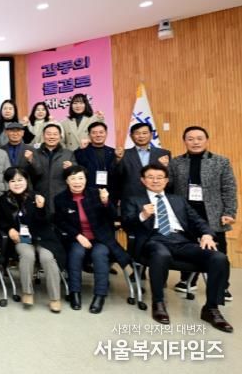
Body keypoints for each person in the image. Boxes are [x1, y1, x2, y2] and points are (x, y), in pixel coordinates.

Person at [122, 164, 233, 333]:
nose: (155, 180)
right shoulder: (134, 200)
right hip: (153, 240)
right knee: (161, 254)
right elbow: (126, 225)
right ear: (143, 181)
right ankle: (158, 303)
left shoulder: (178, 200)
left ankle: (211, 308)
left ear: (166, 180)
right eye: (150, 177)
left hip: (181, 241)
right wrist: (142, 215)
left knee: (219, 258)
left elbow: (198, 221)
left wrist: (207, 234)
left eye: (159, 177)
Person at [168, 126, 236, 300]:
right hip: (186, 214)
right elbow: (169, 187)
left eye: (199, 138)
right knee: (187, 247)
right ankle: (187, 280)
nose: (195, 142)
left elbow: (229, 189)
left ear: (206, 140)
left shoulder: (221, 161)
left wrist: (229, 212)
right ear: (184, 141)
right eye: (190, 139)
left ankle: (222, 286)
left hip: (213, 213)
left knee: (219, 251)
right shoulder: (175, 162)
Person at [53, 165, 130, 314]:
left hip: (100, 238)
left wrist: (106, 201)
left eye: (81, 178)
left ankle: (100, 296)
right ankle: (74, 292)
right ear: (67, 181)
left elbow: (113, 216)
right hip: (77, 238)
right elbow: (60, 222)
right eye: (73, 178)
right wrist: (78, 236)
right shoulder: (60, 199)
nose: (77, 182)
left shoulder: (96, 194)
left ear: (86, 180)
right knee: (76, 253)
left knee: (99, 254)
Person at [0, 167, 65, 313]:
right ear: (8, 183)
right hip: (21, 238)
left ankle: (55, 297)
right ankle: (27, 292)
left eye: (20, 180)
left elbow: (46, 221)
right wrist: (9, 229)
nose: (17, 184)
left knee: (47, 257)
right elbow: (0, 221)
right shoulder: (3, 200)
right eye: (12, 181)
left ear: (26, 181)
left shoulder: (37, 197)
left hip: (41, 236)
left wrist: (40, 208)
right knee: (27, 255)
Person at [113, 122, 171, 203]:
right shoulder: (123, 154)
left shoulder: (163, 153)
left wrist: (166, 166)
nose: (141, 136)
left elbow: (169, 177)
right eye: (137, 133)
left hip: (157, 198)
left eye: (144, 133)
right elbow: (116, 176)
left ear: (151, 135)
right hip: (130, 198)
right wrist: (118, 159)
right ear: (131, 136)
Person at [30, 123, 76, 215]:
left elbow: (76, 173)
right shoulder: (34, 153)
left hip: (62, 196)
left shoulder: (68, 154)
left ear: (60, 136)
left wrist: (72, 166)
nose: (51, 137)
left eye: (55, 134)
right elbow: (29, 176)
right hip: (40, 196)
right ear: (43, 136)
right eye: (48, 134)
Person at [74, 121, 117, 193]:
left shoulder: (113, 152)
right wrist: (81, 149)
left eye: (101, 132)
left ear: (106, 134)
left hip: (110, 192)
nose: (98, 135)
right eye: (94, 133)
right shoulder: (80, 152)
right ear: (89, 135)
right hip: (88, 193)